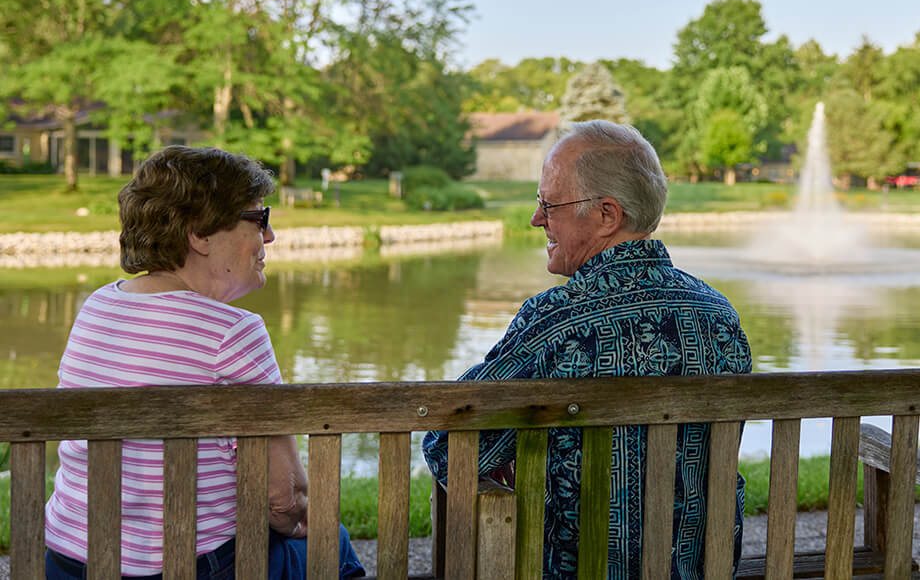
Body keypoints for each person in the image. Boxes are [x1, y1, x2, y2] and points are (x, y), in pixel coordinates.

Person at [422, 121, 751, 579]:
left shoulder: (554, 321)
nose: (537, 219)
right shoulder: (721, 319)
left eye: (548, 204)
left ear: (607, 215)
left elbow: (450, 447)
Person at [44, 146, 365, 580]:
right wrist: (307, 523)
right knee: (334, 541)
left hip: (69, 561)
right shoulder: (233, 332)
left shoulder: (98, 306)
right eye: (258, 218)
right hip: (191, 567)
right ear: (199, 233)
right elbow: (285, 501)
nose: (269, 236)